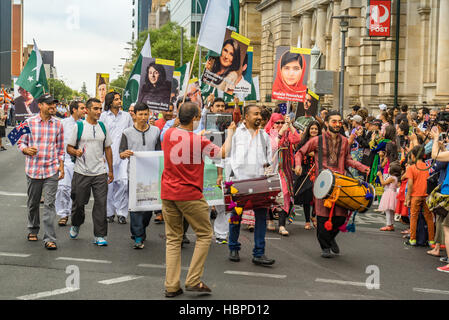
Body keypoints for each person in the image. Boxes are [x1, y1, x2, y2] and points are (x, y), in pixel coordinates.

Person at [161, 102, 235, 297]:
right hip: (189, 194)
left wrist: (194, 134)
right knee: (204, 234)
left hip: (168, 193)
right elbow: (223, 153)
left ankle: (171, 285)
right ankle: (193, 279)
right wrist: (231, 133)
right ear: (195, 118)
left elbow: (181, 134)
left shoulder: (168, 135)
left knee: (173, 239)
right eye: (198, 118)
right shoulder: (198, 141)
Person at [294, 110, 370, 258]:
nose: (337, 124)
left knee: (340, 217)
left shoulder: (344, 141)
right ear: (327, 123)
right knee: (322, 216)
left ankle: (330, 238)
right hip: (322, 183)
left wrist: (361, 167)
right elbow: (300, 152)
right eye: (334, 121)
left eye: (339, 121)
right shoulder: (317, 140)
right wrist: (297, 165)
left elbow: (347, 160)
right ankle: (325, 247)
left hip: (340, 183)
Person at [227, 105, 276, 266]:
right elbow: (226, 156)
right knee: (236, 216)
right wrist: (226, 179)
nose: (259, 117)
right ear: (246, 116)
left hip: (259, 183)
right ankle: (233, 247)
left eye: (260, 114)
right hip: (239, 182)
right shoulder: (235, 134)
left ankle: (259, 253)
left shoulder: (264, 136)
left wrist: (269, 173)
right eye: (255, 114)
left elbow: (269, 159)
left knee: (261, 217)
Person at [17, 93, 64, 250]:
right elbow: (20, 142)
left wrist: (61, 166)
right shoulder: (28, 122)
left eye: (54, 104)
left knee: (50, 204)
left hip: (51, 170)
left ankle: (50, 238)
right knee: (33, 203)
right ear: (40, 105)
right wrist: (26, 149)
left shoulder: (58, 124)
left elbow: (60, 148)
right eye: (49, 104)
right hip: (33, 170)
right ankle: (33, 228)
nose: (53, 107)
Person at [67, 98, 113, 246]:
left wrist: (110, 170)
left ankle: (99, 235)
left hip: (100, 172)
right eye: (95, 108)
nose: (99, 111)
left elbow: (107, 148)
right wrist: (76, 152)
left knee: (101, 204)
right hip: (81, 172)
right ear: (87, 110)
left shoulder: (103, 127)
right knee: (79, 203)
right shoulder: (79, 126)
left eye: (100, 109)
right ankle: (76, 223)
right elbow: (69, 147)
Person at [119, 102, 161, 249]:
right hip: (134, 175)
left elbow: (159, 152)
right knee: (136, 207)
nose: (143, 117)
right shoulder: (127, 132)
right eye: (140, 114)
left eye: (146, 114)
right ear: (134, 115)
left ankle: (141, 229)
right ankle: (137, 236)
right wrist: (124, 154)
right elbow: (121, 152)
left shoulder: (156, 131)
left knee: (148, 208)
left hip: (151, 176)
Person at [100, 91, 134, 224]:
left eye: (120, 99)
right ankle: (109, 212)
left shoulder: (126, 116)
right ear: (110, 102)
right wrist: (100, 155)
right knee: (109, 185)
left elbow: (131, 133)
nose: (119, 101)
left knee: (123, 183)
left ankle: (121, 212)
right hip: (107, 155)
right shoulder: (103, 116)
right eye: (116, 99)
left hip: (123, 155)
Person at [265, 113, 301, 236]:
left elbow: (297, 139)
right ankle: (269, 219)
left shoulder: (287, 133)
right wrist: (281, 133)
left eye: (281, 122)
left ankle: (281, 225)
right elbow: (273, 147)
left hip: (284, 170)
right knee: (271, 195)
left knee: (285, 194)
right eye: (277, 123)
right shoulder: (268, 134)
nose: (280, 125)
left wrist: (290, 125)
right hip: (271, 170)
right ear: (272, 123)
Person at [55, 100, 87, 226]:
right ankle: (63, 214)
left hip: (80, 161)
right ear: (74, 110)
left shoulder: (85, 124)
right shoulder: (62, 123)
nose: (85, 110)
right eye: (82, 108)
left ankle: (75, 215)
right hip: (65, 160)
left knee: (77, 192)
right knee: (62, 187)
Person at [404, 145, 435, 246]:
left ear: (413, 156)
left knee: (413, 217)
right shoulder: (428, 167)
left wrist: (407, 198)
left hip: (415, 195)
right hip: (427, 195)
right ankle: (431, 240)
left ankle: (413, 239)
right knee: (429, 217)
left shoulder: (411, 168)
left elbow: (410, 184)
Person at [294, 120, 321, 230]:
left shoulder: (321, 142)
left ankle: (313, 215)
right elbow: (298, 153)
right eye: (312, 129)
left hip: (317, 172)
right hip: (306, 171)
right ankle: (306, 220)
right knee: (306, 196)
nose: (314, 130)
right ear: (308, 130)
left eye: (316, 129)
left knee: (317, 196)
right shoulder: (303, 141)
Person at [377, 161, 401, 231]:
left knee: (388, 210)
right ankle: (391, 224)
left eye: (389, 167)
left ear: (392, 170)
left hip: (389, 194)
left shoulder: (392, 178)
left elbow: (383, 183)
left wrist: (380, 176)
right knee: (391, 211)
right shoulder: (393, 177)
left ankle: (388, 225)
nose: (388, 168)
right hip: (392, 193)